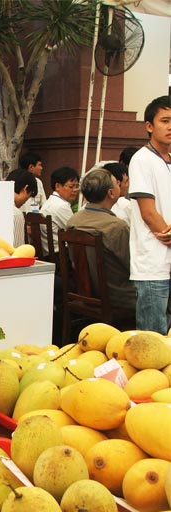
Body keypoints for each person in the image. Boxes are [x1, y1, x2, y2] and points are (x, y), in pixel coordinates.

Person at [128, 95, 171, 334]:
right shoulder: (141, 160)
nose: (170, 126)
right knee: (152, 337)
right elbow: (149, 213)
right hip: (153, 263)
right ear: (149, 126)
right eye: (165, 120)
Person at [67, 168, 136, 312]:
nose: (119, 185)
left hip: (84, 291)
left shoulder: (74, 220)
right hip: (118, 296)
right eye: (117, 183)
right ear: (111, 193)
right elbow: (133, 266)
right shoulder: (116, 226)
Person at [39, 166, 80, 257]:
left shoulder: (49, 202)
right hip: (60, 256)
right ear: (57, 186)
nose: (75, 190)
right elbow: (76, 232)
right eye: (71, 186)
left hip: (48, 253)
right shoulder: (61, 206)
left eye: (77, 186)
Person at [6, 168, 38, 248]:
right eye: (29, 196)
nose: (26, 201)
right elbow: (17, 250)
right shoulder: (16, 214)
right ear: (25, 188)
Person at [104, 161, 131, 226]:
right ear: (117, 183)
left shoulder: (86, 207)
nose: (128, 185)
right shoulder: (125, 205)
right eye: (126, 181)